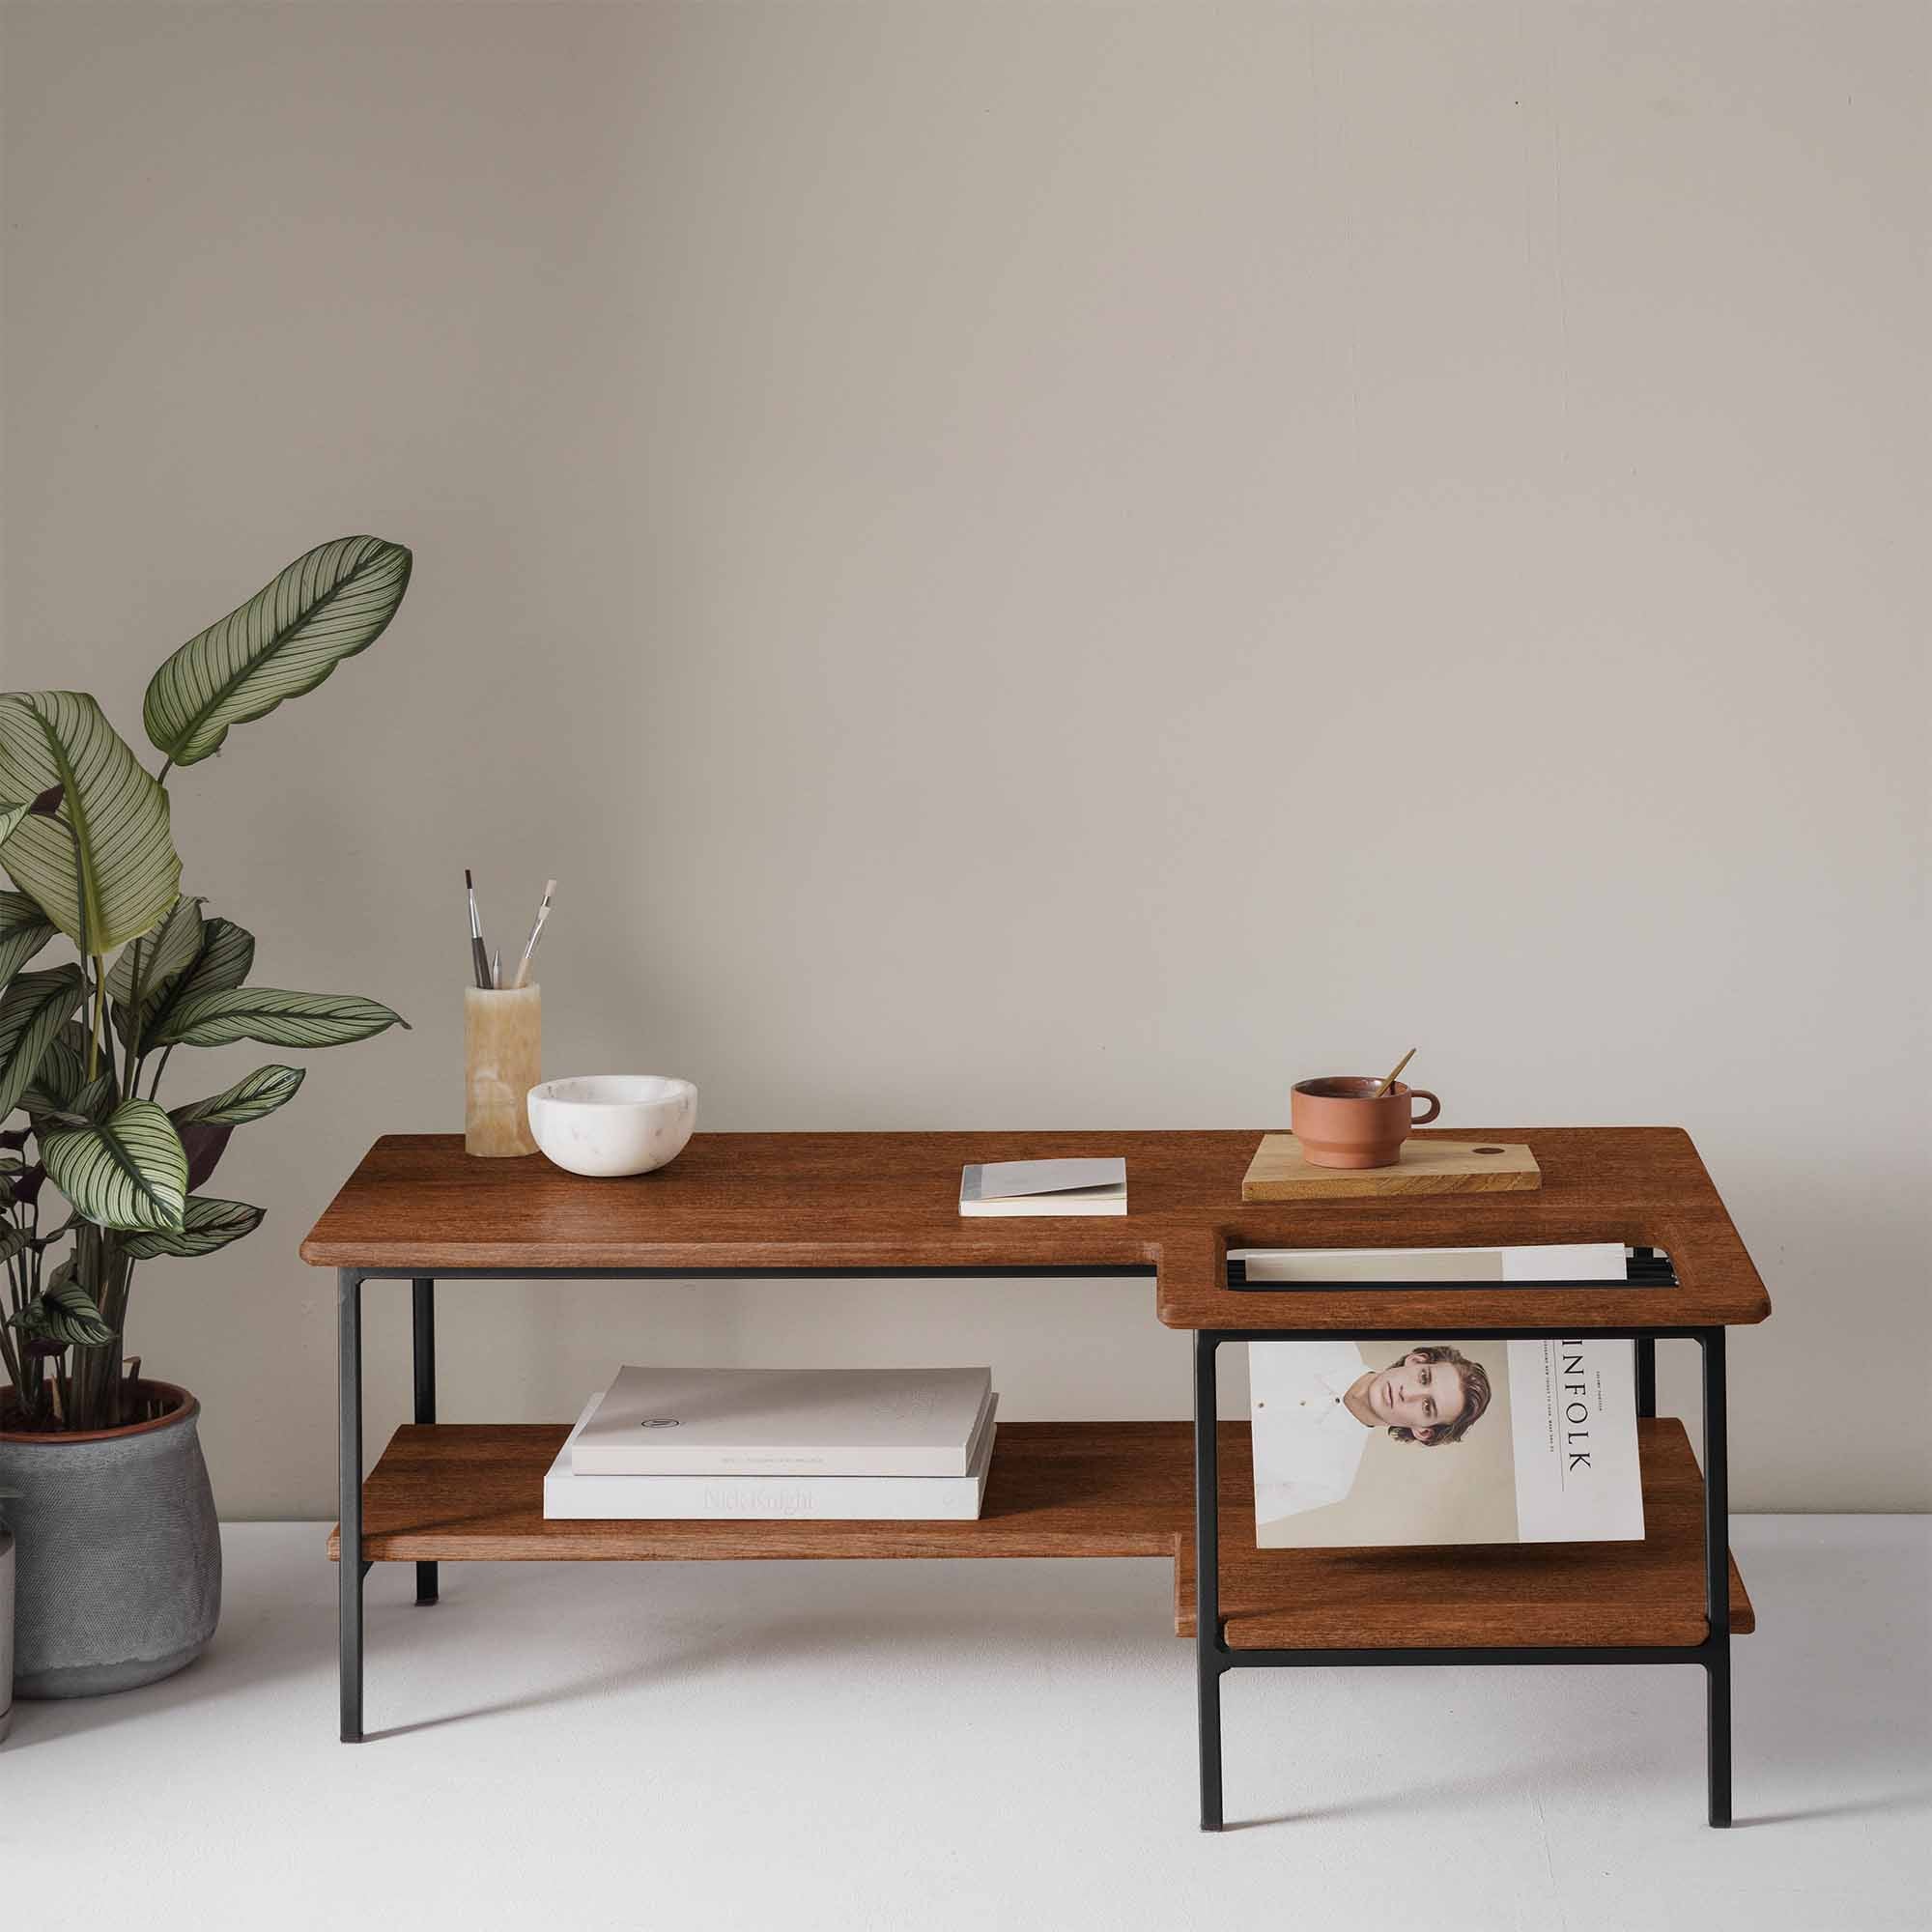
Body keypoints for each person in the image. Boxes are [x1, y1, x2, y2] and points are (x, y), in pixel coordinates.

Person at [1249, 1342, 1493, 1521]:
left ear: (1423, 1432)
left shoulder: (1331, 1482)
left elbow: (1235, 1510)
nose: (1407, 1393)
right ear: (1416, 1360)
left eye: (1427, 1406)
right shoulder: (1324, 1337)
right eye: (1423, 1378)